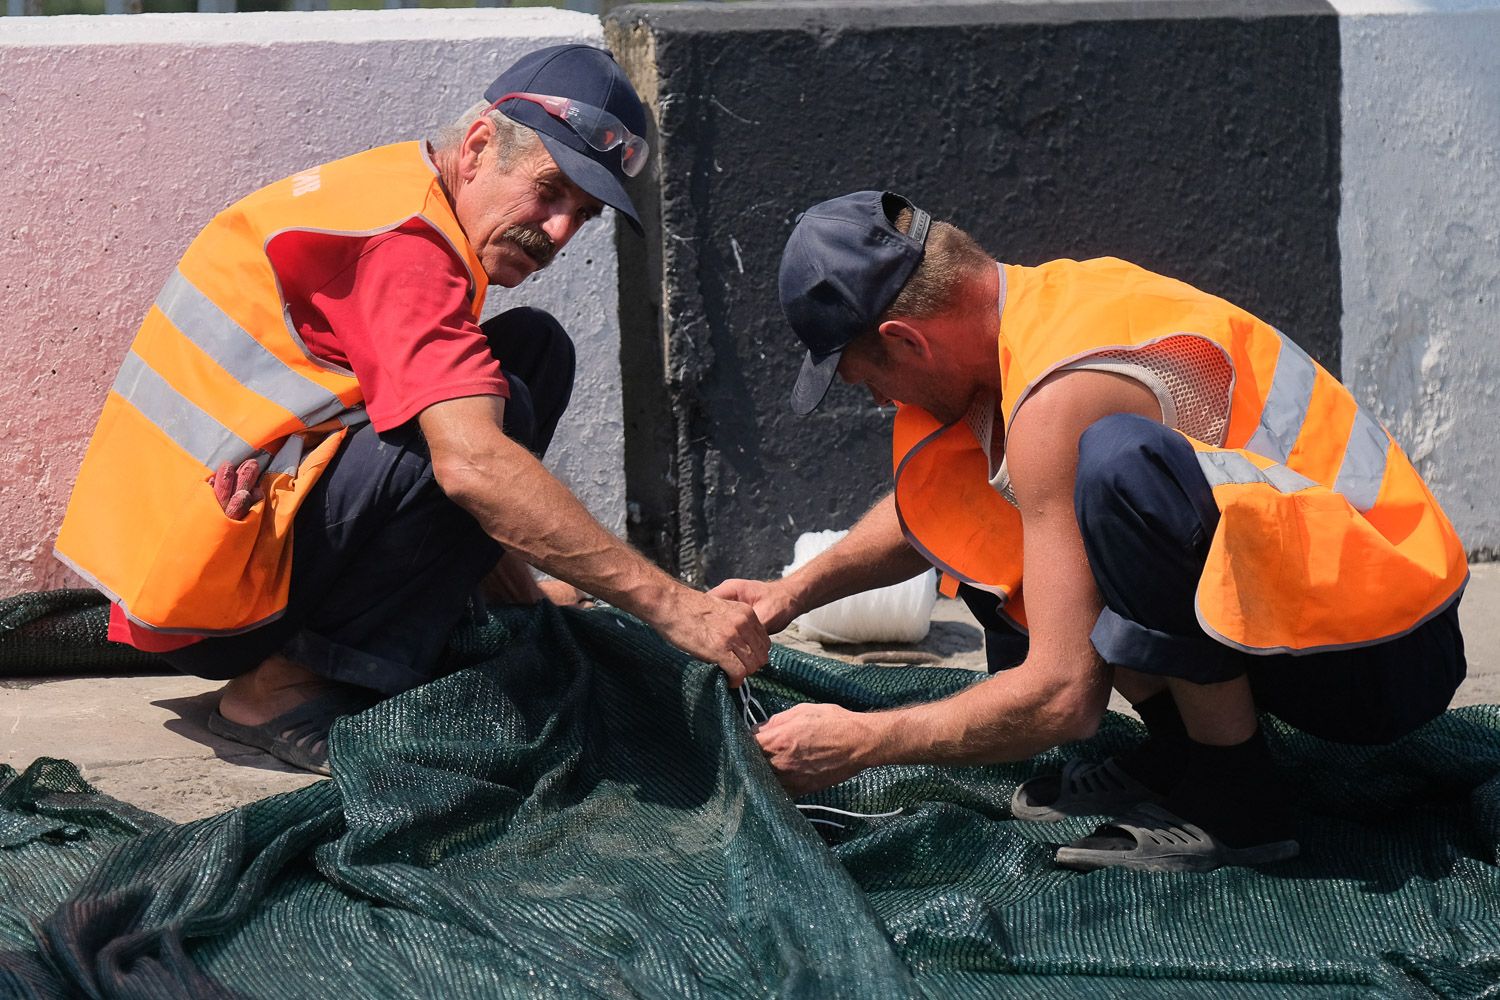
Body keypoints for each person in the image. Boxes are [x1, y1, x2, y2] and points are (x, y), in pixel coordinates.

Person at [55, 45, 768, 776]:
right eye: (550, 192)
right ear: (481, 146)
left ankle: (453, 607)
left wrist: (519, 594)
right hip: (201, 589)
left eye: (581, 215)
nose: (557, 233)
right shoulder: (402, 251)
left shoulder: (404, 188)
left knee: (529, 354)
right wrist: (679, 608)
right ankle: (275, 690)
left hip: (223, 538)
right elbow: (472, 467)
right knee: (469, 438)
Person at [712, 190, 1468, 872]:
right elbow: (936, 519)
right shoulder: (1041, 309)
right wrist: (791, 593)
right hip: (1335, 611)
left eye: (866, 379)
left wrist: (863, 741)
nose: (879, 401)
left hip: (1381, 655)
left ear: (908, 339)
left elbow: (1061, 699)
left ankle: (1237, 805)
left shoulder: (1060, 399)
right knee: (1019, 496)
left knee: (1115, 472)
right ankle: (1183, 758)